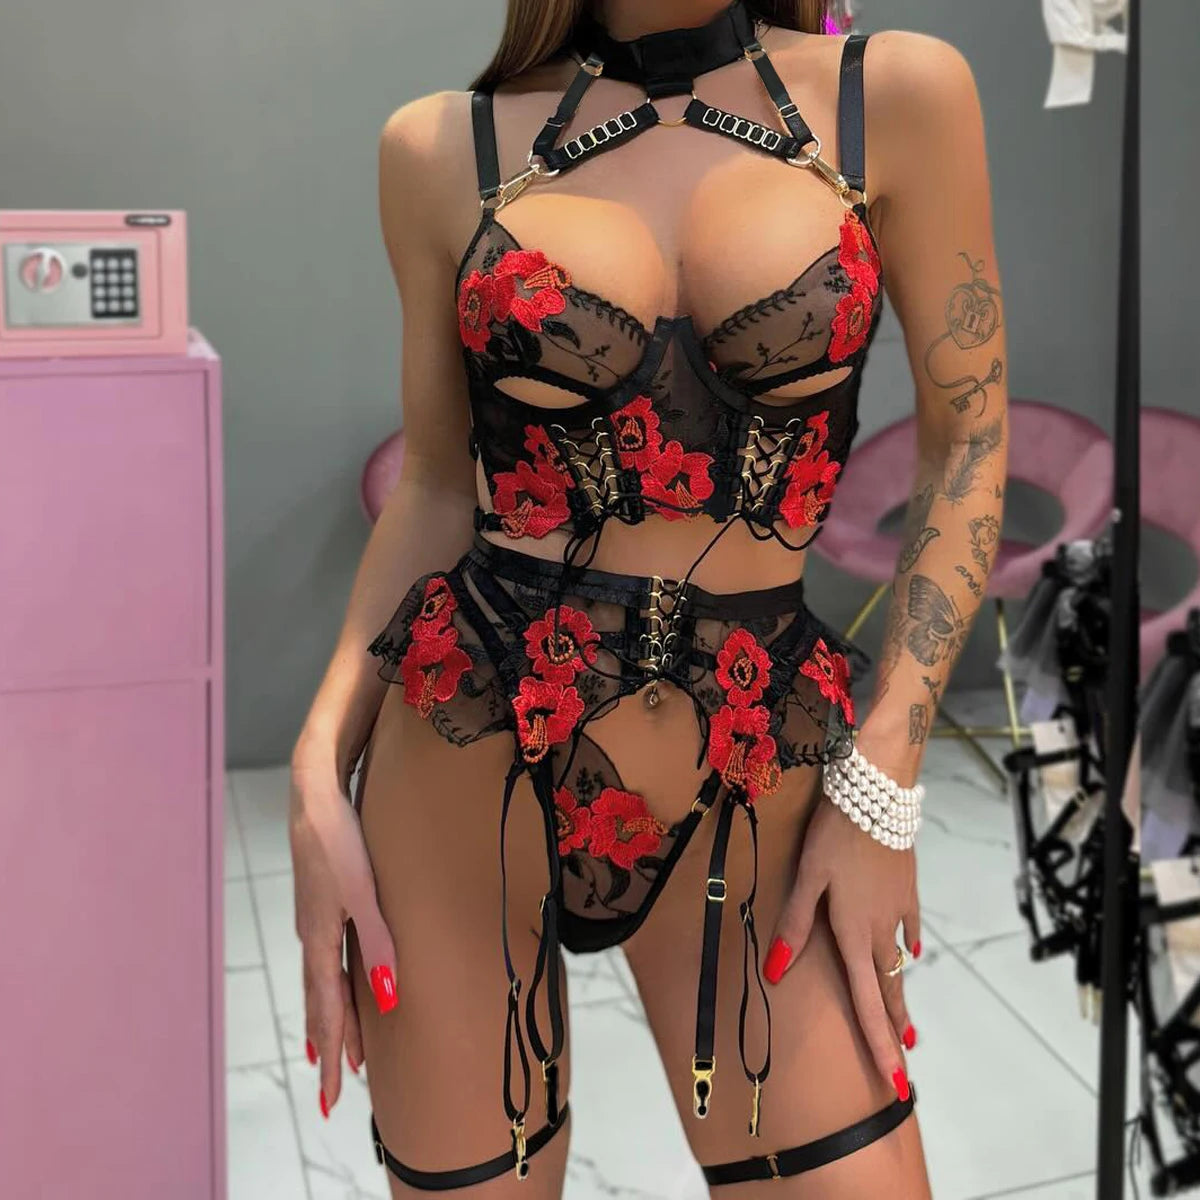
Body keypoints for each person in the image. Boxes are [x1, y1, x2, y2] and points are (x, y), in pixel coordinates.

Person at [289, 1, 1008, 1193]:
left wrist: (885, 782)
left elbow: (970, 443)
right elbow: (437, 489)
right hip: (469, 762)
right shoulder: (439, 148)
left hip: (757, 769)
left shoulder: (894, 96)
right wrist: (319, 764)